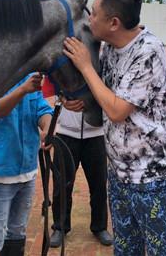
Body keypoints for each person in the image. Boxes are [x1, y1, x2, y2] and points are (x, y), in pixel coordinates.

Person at [62, 0, 166, 256]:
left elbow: (118, 110)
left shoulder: (149, 51)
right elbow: (104, 95)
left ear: (114, 23)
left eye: (93, 12)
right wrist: (78, 101)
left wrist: (85, 67)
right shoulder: (108, 48)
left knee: (163, 249)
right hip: (120, 171)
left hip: (153, 175)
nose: (89, 18)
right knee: (126, 246)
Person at [0, 73, 53, 256]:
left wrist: (48, 127)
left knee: (17, 232)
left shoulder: (30, 76)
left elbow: (41, 109)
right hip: (1, 172)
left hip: (28, 169)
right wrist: (22, 90)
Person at [45, 94, 113, 247]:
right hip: (66, 132)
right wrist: (63, 100)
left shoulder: (100, 68)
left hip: (96, 132)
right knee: (61, 184)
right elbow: (55, 81)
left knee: (99, 184)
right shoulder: (65, 68)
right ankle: (60, 227)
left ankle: (99, 226)